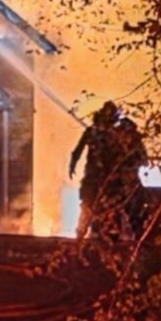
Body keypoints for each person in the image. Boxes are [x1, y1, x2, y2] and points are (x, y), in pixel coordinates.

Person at [69, 101, 119, 239]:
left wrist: (72, 164)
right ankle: (85, 233)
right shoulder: (105, 134)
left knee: (95, 205)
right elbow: (78, 151)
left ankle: (91, 233)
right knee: (90, 205)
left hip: (105, 177)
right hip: (100, 177)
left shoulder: (97, 132)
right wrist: (73, 164)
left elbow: (77, 151)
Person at [111, 117, 149, 240]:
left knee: (136, 207)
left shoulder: (136, 145)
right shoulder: (113, 145)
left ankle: (134, 232)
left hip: (130, 181)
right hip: (116, 183)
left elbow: (144, 161)